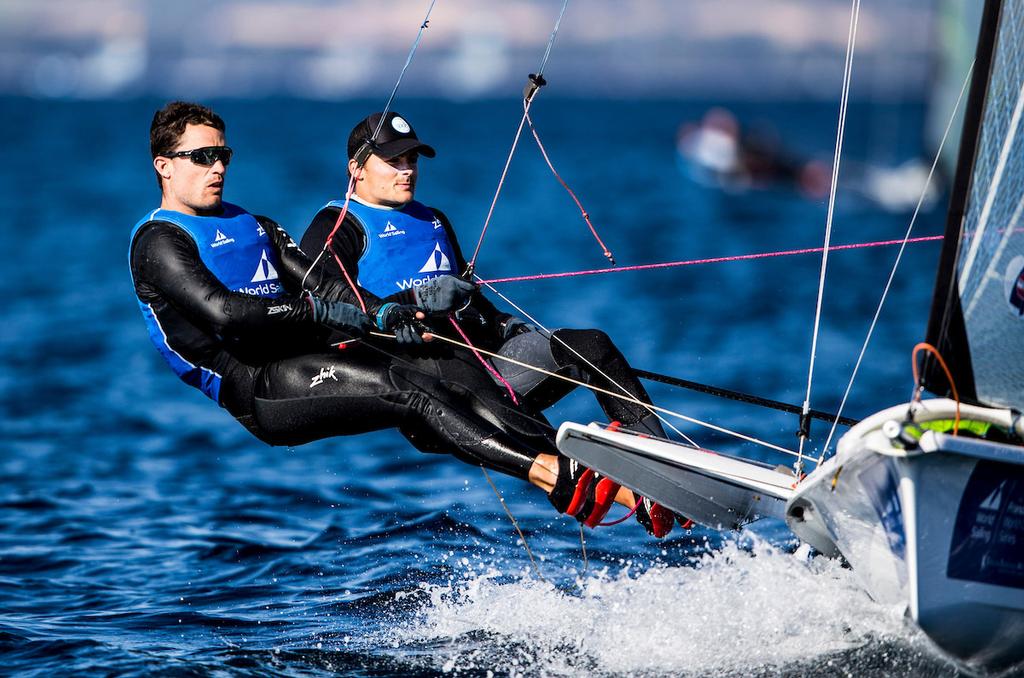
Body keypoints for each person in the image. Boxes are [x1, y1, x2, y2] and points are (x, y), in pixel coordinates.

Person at [128, 101, 596, 510]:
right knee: (411, 390)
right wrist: (314, 312)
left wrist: (387, 312)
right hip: (258, 383)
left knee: (439, 369)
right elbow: (225, 312)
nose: (217, 168)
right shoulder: (159, 240)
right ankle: (553, 475)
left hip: (307, 353)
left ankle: (606, 480)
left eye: (223, 155)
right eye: (201, 157)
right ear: (164, 166)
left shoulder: (256, 225)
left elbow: (325, 286)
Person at [299, 111, 679, 537]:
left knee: (591, 345)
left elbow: (469, 296)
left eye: (412, 160)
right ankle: (626, 494)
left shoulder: (434, 220)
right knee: (506, 411)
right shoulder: (336, 227)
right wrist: (395, 314)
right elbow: (324, 310)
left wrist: (503, 325)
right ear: (356, 168)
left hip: (485, 362)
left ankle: (663, 467)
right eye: (393, 161)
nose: (407, 171)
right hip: (431, 387)